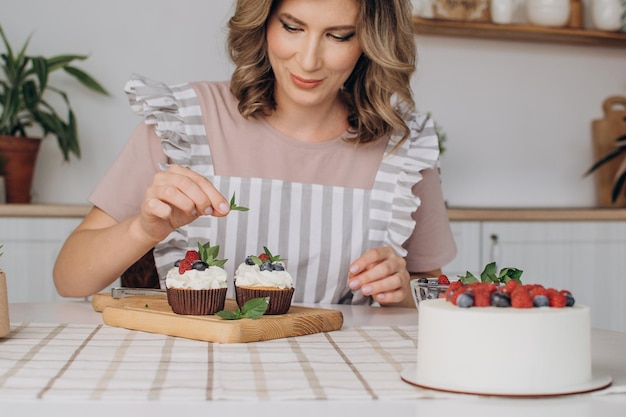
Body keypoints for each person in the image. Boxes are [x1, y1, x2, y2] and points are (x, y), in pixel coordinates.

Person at [53, 0, 456, 308]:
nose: (309, 59)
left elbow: (435, 292)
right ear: (263, 22)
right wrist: (144, 229)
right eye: (292, 27)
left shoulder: (403, 148)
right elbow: (69, 278)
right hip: (200, 371)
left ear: (370, 40)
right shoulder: (183, 121)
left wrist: (403, 291)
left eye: (339, 35)